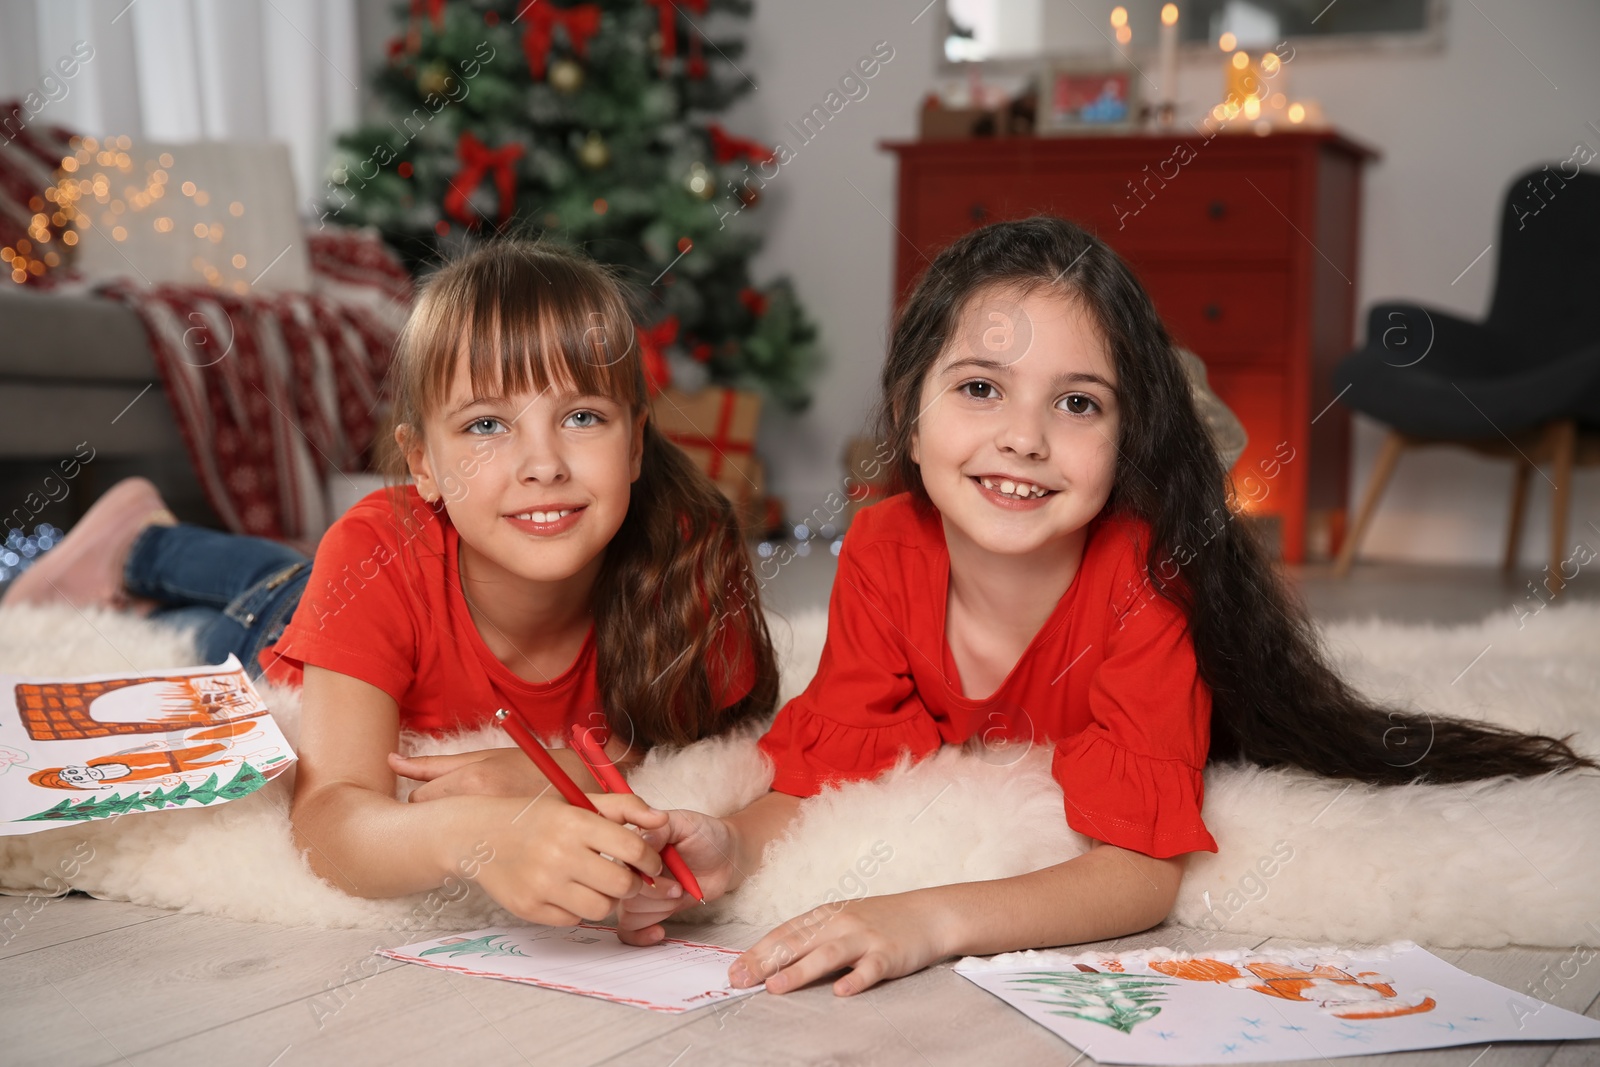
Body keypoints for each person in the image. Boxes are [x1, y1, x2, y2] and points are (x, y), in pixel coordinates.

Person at [613, 215, 1598, 996]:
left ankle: (1185, 430)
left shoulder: (1141, 579)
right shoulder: (882, 543)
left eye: (1077, 401)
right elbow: (826, 760)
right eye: (979, 388)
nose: (1023, 436)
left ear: (1121, 438)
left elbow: (1138, 870)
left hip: (1147, 555)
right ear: (909, 416)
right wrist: (729, 841)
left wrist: (925, 918)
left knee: (1185, 508)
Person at [3, 239, 780, 925]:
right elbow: (329, 818)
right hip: (292, 619)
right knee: (261, 597)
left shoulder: (687, 551)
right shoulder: (379, 548)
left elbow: (706, 729)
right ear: (422, 464)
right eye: (485, 425)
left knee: (291, 571)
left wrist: (573, 764)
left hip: (383, 577)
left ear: (637, 443)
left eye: (582, 417)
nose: (544, 464)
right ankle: (140, 548)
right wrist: (478, 836)